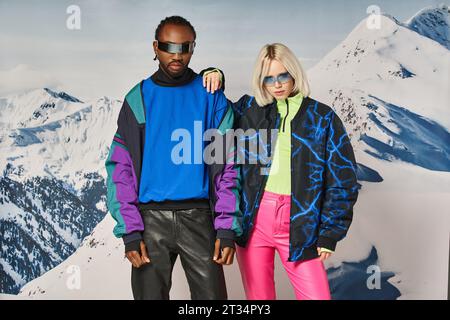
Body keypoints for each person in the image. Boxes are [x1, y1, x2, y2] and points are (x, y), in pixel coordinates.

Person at [203, 43, 359, 300]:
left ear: (294, 72)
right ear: (260, 80)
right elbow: (219, 113)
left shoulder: (322, 117)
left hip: (300, 223)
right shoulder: (249, 110)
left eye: (283, 75)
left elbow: (343, 179)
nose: (277, 84)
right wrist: (213, 74)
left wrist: (330, 232)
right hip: (255, 222)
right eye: (269, 78)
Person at [105, 16, 241, 300]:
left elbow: (228, 166)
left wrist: (226, 228)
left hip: (200, 219)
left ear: (193, 48)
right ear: (155, 47)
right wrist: (130, 233)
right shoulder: (138, 98)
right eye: (168, 46)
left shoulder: (211, 96)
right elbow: (121, 170)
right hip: (150, 222)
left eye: (185, 47)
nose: (177, 55)